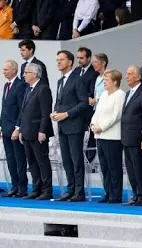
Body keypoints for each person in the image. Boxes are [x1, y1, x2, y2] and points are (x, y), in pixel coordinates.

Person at [51, 50, 88, 202]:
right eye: (57, 60)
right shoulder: (60, 81)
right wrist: (55, 112)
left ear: (70, 62)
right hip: (62, 126)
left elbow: (83, 103)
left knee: (76, 159)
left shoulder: (77, 79)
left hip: (74, 125)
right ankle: (70, 188)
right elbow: (59, 101)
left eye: (61, 59)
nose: (58, 62)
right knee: (66, 159)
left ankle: (79, 191)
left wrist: (66, 114)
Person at [15, 62, 53, 200]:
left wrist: (42, 131)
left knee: (42, 161)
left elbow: (45, 112)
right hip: (27, 132)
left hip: (38, 132)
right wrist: (21, 130)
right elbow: (24, 112)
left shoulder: (43, 89)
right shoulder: (28, 89)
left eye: (27, 73)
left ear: (35, 74)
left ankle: (47, 190)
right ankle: (36, 188)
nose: (24, 75)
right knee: (31, 162)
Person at [91, 68, 124, 203]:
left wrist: (102, 127)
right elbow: (97, 112)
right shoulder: (104, 94)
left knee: (114, 167)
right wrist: (93, 124)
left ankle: (116, 194)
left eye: (107, 80)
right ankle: (108, 192)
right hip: (100, 136)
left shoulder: (120, 94)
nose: (104, 83)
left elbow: (116, 115)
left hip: (112, 136)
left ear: (115, 81)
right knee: (104, 167)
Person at [0, 60, 27, 197]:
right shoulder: (5, 86)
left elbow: (22, 108)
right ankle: (15, 186)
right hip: (6, 128)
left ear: (14, 70)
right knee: (10, 159)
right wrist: (0, 124)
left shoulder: (20, 85)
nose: (3, 72)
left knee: (19, 159)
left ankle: (22, 187)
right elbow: (4, 107)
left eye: (6, 69)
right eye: (3, 69)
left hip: (15, 128)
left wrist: (18, 127)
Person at [120, 65, 142, 206]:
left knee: (139, 168)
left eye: (130, 74)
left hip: (138, 138)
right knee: (131, 169)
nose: (127, 76)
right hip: (127, 137)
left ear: (138, 76)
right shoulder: (128, 93)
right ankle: (135, 194)